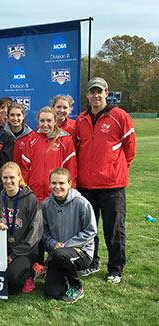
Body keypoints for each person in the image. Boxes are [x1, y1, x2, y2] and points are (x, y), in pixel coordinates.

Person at [76, 77, 136, 284]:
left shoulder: (120, 116)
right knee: (89, 228)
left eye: (99, 91)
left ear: (106, 93)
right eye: (92, 92)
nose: (95, 95)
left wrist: (116, 169)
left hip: (112, 185)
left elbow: (130, 149)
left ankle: (116, 269)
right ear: (87, 95)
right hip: (86, 185)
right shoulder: (81, 119)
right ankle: (91, 262)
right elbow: (78, 148)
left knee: (114, 229)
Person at [42, 168, 97, 303]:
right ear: (49, 185)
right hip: (56, 252)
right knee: (52, 292)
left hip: (81, 252)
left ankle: (77, 287)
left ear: (70, 184)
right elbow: (43, 231)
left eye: (61, 183)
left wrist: (67, 245)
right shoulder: (45, 205)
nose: (57, 187)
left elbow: (91, 231)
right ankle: (64, 276)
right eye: (54, 183)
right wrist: (52, 243)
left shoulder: (81, 203)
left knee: (60, 254)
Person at [0, 162, 43, 294]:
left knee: (12, 277)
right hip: (5, 252)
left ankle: (32, 272)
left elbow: (35, 234)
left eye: (12, 177)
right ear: (1, 179)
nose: (9, 181)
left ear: (19, 177)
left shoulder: (31, 200)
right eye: (5, 178)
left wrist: (13, 255)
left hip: (26, 251)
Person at [21, 106, 77, 203]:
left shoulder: (65, 141)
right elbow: (24, 169)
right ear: (38, 121)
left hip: (57, 195)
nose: (45, 124)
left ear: (55, 121)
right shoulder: (31, 140)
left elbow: (71, 169)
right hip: (34, 196)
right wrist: (24, 191)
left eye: (49, 121)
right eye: (42, 121)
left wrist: (70, 191)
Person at [4, 102, 35, 166]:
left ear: (23, 116)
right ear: (8, 117)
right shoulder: (2, 135)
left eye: (18, 115)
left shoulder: (32, 137)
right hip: (6, 174)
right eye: (12, 115)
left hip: (24, 175)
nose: (15, 118)